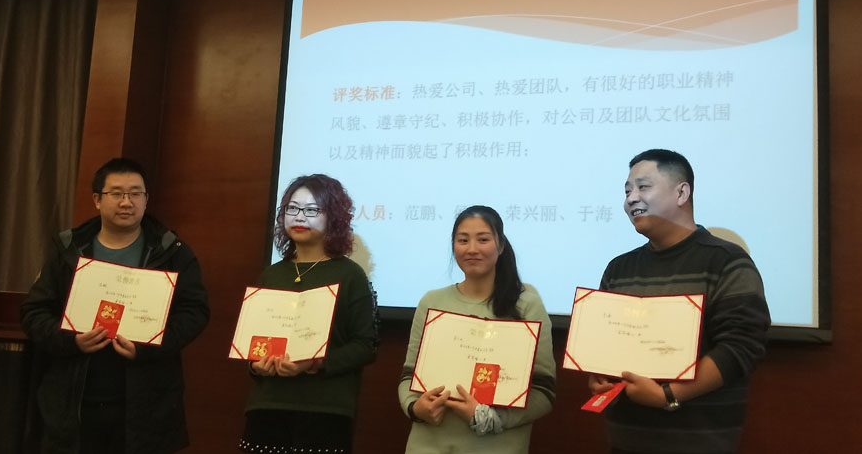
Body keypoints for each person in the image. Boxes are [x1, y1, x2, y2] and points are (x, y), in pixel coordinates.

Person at [20, 158, 209, 453]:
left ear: (146, 200)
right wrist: (72, 340)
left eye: (136, 193)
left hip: (146, 406)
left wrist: (148, 345)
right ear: (97, 199)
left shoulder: (172, 252)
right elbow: (34, 312)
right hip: (73, 404)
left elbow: (195, 312)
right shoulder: (69, 250)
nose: (126, 202)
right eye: (117, 193)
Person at [590, 149, 771, 454]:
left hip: (699, 442)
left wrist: (669, 394)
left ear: (681, 193)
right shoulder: (619, 269)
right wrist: (599, 375)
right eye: (627, 191)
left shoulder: (726, 261)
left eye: (643, 187)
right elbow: (606, 346)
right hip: (626, 439)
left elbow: (742, 345)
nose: (632, 198)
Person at [398, 205, 556, 454]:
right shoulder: (432, 302)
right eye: (463, 240)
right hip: (427, 445)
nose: (472, 249)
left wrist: (492, 418)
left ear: (500, 246)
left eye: (483, 239)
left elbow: (544, 391)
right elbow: (409, 375)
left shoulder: (526, 305)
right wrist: (414, 407)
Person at [239, 174, 379, 454]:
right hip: (268, 404)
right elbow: (251, 345)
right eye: (292, 208)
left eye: (312, 210)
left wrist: (315, 363)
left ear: (333, 217)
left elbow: (366, 346)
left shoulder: (351, 275)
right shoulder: (271, 275)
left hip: (324, 409)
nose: (299, 216)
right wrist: (256, 365)